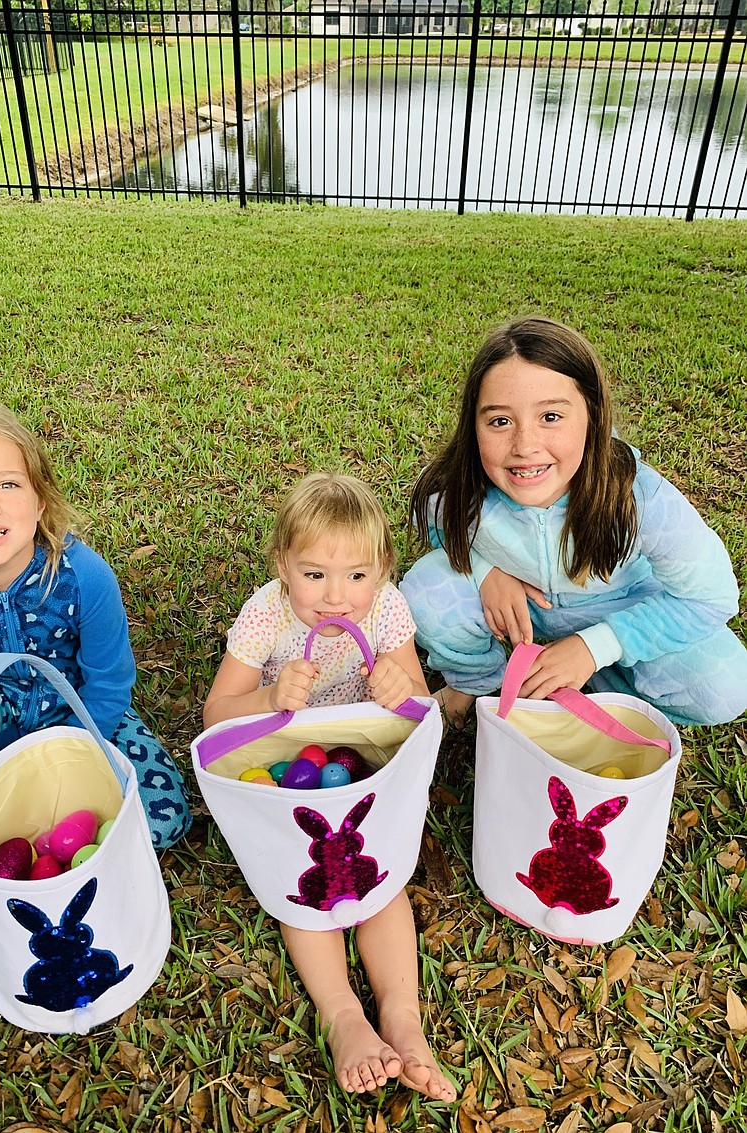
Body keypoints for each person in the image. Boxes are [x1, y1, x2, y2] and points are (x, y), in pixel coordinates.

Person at [203, 472, 457, 1102]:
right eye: (314, 574)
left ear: (383, 570)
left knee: (380, 881)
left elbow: (420, 706)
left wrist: (402, 693)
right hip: (291, 767)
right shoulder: (266, 616)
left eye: (357, 576)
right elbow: (215, 715)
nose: (337, 597)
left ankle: (402, 1016)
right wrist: (267, 695)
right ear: (283, 566)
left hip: (361, 765)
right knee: (308, 890)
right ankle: (342, 1014)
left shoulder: (389, 608)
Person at [400, 315, 747, 728]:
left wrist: (597, 645)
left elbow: (711, 596)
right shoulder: (457, 486)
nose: (525, 445)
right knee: (428, 588)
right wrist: (486, 570)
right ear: (472, 425)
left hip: (625, 606)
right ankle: (473, 684)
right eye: (499, 421)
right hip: (528, 610)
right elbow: (433, 517)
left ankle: (600, 677)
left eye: (550, 417)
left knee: (726, 686)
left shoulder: (640, 497)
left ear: (593, 416)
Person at [0, 401, 192, 865]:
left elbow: (109, 685)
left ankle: (35, 822)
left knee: (163, 820)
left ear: (39, 500)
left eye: (8, 484)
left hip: (79, 714)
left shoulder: (84, 577)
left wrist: (65, 767)